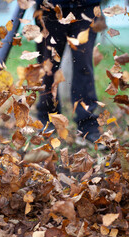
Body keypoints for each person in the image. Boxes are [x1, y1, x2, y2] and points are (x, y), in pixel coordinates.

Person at [35, 0, 102, 143]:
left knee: (83, 65)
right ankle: (47, 117)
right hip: (49, 8)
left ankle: (87, 124)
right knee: (49, 66)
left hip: (86, 7)